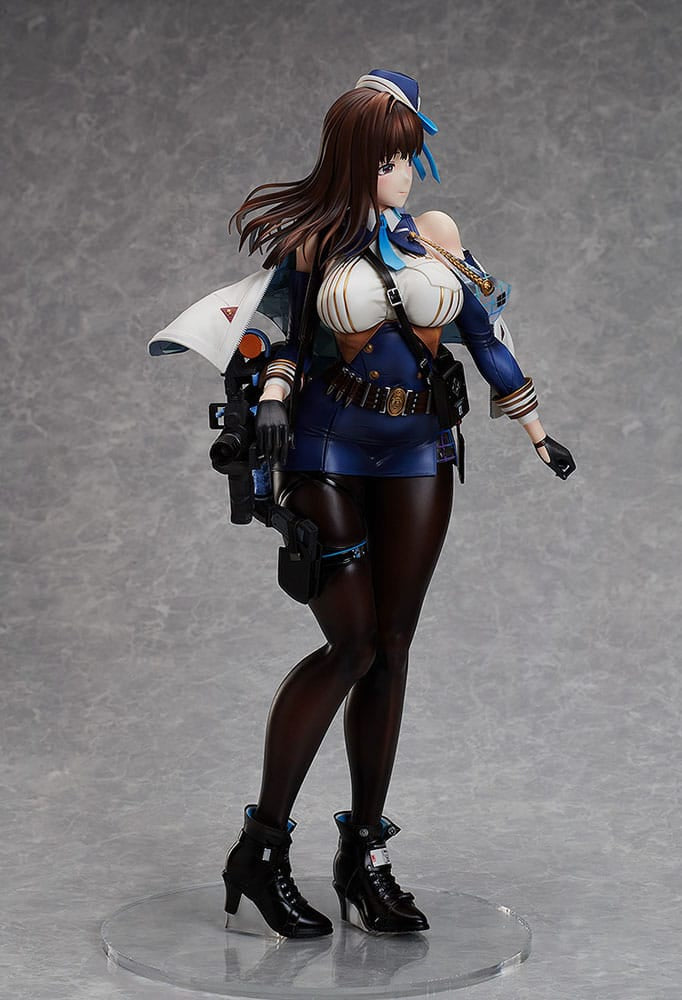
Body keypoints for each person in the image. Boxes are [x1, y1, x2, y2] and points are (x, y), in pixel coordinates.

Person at [220, 69, 575, 939]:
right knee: (350, 644)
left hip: (419, 450)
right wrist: (273, 399)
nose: (404, 173)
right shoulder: (313, 244)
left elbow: (484, 336)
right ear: (354, 159)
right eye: (388, 159)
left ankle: (363, 857)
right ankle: (261, 849)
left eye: (409, 156)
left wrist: (538, 432)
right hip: (327, 451)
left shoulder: (434, 239)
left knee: (391, 648)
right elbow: (284, 339)